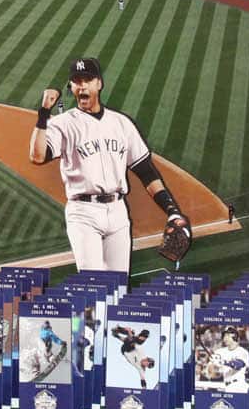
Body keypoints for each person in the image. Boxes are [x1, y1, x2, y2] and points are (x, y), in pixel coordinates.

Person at [28, 57, 189, 272]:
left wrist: (172, 211)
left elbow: (147, 173)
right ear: (72, 86)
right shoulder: (61, 123)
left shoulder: (121, 123)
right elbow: (38, 156)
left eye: (88, 79)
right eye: (77, 81)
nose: (82, 85)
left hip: (118, 212)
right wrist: (43, 114)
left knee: (118, 288)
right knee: (93, 286)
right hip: (83, 212)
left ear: (99, 83)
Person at [112, 324, 157, 389]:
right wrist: (128, 333)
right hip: (129, 346)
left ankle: (124, 332)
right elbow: (130, 341)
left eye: (146, 366)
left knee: (132, 340)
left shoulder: (142, 369)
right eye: (147, 363)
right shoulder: (141, 352)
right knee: (132, 340)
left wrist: (144, 388)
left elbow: (143, 379)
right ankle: (118, 332)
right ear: (147, 359)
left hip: (124, 351)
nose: (145, 365)